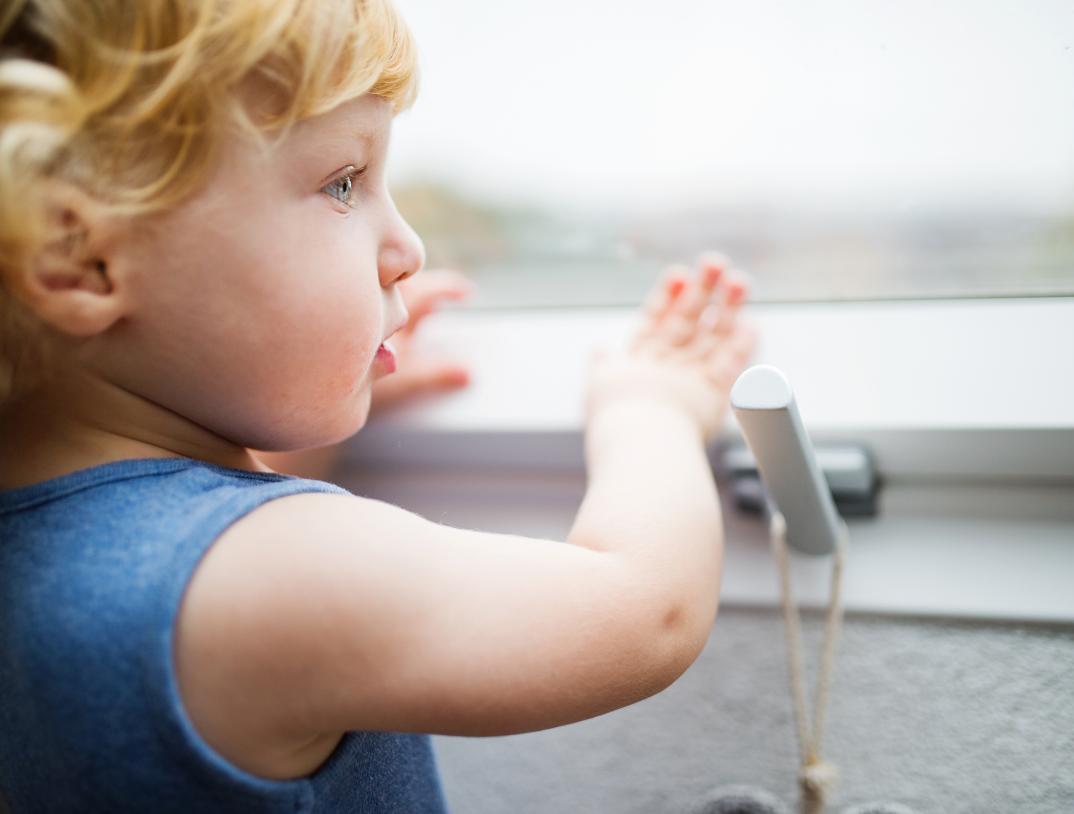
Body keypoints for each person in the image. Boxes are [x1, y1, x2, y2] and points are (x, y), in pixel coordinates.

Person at [0, 1, 759, 811]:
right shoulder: (280, 575)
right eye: (342, 183)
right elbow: (648, 613)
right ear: (76, 258)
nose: (408, 248)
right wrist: (651, 407)